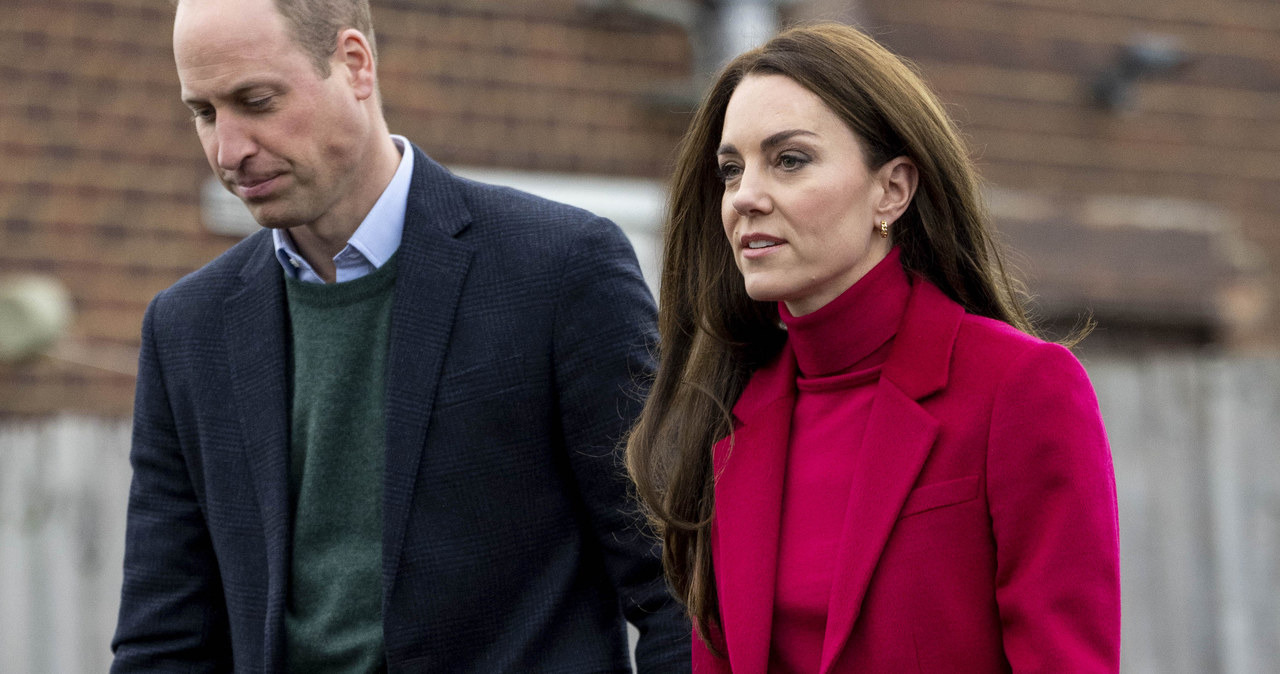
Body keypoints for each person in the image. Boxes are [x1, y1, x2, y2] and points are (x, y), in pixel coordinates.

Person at [110, 0, 691, 670]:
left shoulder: (560, 270)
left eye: (257, 100)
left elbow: (674, 581)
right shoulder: (187, 329)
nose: (228, 150)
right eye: (205, 113)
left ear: (355, 64)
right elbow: (163, 639)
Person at [626, 23, 1120, 673]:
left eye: (789, 159)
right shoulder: (729, 413)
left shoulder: (1019, 387)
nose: (745, 196)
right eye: (731, 169)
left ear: (892, 189)